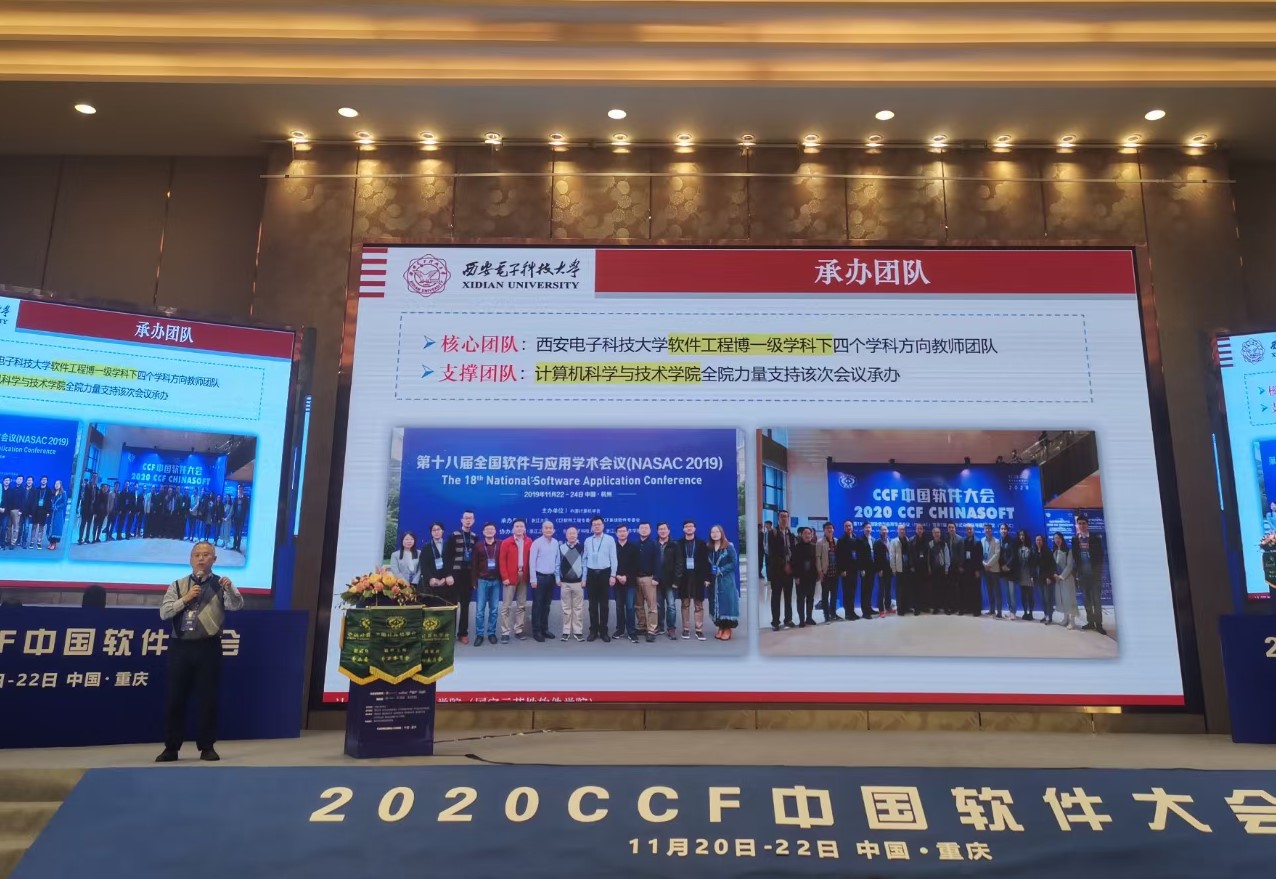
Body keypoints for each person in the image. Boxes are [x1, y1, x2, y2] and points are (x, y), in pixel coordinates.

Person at [155, 541, 242, 762]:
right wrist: (185, 599)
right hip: (180, 646)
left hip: (208, 646)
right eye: (197, 555)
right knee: (176, 698)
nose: (201, 558)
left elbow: (236, 605)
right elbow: (164, 613)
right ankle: (171, 747)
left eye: (206, 555)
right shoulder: (178, 585)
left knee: (207, 698)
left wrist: (231, 589)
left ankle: (207, 747)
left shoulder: (221, 584)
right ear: (190, 559)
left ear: (214, 559)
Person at [444, 511, 478, 644]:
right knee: (452, 604)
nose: (468, 520)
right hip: (454, 575)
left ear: (473, 520)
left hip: (467, 576)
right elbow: (446, 556)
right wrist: (448, 574)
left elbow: (475, 559)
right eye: (466, 518)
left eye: (470, 518)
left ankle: (463, 633)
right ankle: (450, 633)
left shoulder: (475, 537)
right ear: (461, 520)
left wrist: (474, 578)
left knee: (465, 605)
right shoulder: (454, 535)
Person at [583, 516, 617, 642]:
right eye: (594, 524)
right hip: (591, 573)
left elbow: (614, 559)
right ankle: (593, 630)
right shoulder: (587, 540)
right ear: (591, 527)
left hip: (605, 573)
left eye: (599, 524)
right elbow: (585, 559)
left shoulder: (609, 539)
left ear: (603, 526)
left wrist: (613, 575)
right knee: (592, 604)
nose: (596, 526)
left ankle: (603, 631)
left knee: (604, 604)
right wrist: (584, 577)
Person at [1072, 515, 1107, 635]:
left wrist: (1097, 572)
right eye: (1080, 523)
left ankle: (1099, 624)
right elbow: (1075, 558)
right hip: (1083, 575)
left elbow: (1100, 556)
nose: (1082, 525)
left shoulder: (1095, 538)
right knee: (1086, 600)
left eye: (1084, 523)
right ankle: (1090, 622)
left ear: (1087, 525)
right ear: (1077, 525)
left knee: (1096, 600)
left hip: (1094, 575)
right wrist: (1077, 573)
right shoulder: (1075, 539)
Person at [498, 518, 531, 644]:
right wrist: (504, 577)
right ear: (513, 529)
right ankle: (505, 632)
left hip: (524, 575)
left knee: (521, 605)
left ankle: (519, 630)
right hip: (510, 577)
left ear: (525, 528)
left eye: (521, 526)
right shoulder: (507, 542)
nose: (519, 528)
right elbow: (502, 561)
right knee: (506, 606)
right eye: (517, 526)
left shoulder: (529, 541)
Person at [528, 520, 560, 642]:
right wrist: (533, 579)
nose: (548, 530)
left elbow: (557, 561)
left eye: (550, 528)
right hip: (539, 577)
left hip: (551, 578)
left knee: (547, 605)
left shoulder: (555, 543)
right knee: (538, 605)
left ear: (553, 530)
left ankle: (544, 629)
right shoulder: (536, 543)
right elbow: (532, 562)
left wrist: (557, 577)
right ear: (542, 530)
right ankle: (536, 631)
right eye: (546, 528)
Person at [471, 522, 502, 646]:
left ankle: (491, 633)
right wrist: (474, 581)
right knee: (480, 610)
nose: (489, 531)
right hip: (482, 580)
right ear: (483, 532)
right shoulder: (478, 546)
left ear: (495, 531)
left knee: (494, 609)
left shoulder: (500, 544)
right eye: (487, 529)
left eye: (492, 529)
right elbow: (474, 564)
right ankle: (479, 634)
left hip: (496, 581)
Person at [708, 524, 739, 639]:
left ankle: (727, 629)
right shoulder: (709, 548)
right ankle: (720, 627)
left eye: (717, 532)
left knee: (727, 603)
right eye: (712, 532)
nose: (715, 534)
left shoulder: (728, 546)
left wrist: (721, 570)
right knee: (716, 604)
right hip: (714, 581)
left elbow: (734, 563)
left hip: (726, 580)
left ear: (721, 533)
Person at [767, 511, 796, 630]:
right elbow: (772, 553)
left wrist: (791, 565)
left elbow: (794, 552)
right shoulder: (772, 533)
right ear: (778, 518)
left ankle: (788, 619)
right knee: (776, 597)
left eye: (786, 517)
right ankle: (775, 621)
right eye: (782, 517)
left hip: (789, 572)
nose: (784, 519)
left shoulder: (791, 534)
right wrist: (784, 564)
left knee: (788, 597)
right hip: (777, 571)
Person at [557, 526, 586, 641]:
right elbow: (557, 564)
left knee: (578, 608)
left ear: (577, 534)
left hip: (578, 583)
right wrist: (557, 577)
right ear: (566, 535)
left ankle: (578, 631)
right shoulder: (561, 548)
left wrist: (584, 578)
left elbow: (584, 564)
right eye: (570, 533)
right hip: (565, 583)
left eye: (574, 533)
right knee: (566, 608)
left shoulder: (582, 548)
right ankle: (566, 631)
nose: (572, 535)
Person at [613, 524, 640, 642]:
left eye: (624, 531)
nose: (622, 533)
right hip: (617, 581)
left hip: (630, 582)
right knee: (619, 607)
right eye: (620, 531)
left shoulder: (633, 547)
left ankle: (631, 631)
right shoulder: (613, 547)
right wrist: (617, 576)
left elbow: (636, 565)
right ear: (616, 534)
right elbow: (610, 563)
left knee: (630, 607)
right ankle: (620, 630)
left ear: (628, 532)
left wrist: (626, 576)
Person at [635, 522, 660, 642]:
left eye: (646, 528)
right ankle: (642, 626)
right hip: (636, 578)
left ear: (650, 530)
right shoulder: (635, 544)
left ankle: (651, 630)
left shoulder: (654, 544)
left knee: (652, 606)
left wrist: (656, 577)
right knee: (638, 605)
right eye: (642, 528)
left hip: (649, 578)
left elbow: (658, 562)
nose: (644, 530)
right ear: (638, 530)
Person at [654, 522, 679, 639]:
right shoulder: (654, 544)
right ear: (657, 531)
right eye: (660, 529)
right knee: (659, 605)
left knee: (671, 606)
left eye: (664, 529)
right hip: (657, 580)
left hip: (670, 581)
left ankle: (671, 628)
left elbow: (679, 563)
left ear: (669, 531)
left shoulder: (674, 545)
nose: (662, 531)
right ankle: (660, 626)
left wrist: (676, 581)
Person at [792, 526, 819, 627]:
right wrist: (796, 576)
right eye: (805, 533)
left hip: (811, 577)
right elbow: (794, 563)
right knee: (800, 599)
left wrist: (817, 575)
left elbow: (816, 562)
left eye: (809, 533)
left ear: (812, 535)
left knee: (810, 598)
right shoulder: (797, 547)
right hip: (801, 577)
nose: (807, 535)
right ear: (801, 535)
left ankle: (809, 618)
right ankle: (801, 620)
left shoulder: (814, 547)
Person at [1052, 532, 1079, 629]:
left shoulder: (1068, 551)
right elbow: (1053, 565)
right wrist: (1055, 575)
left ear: (1062, 539)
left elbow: (1069, 566)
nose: (1057, 540)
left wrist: (1061, 576)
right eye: (1055, 538)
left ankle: (1072, 621)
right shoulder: (1054, 552)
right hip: (1058, 580)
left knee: (1070, 599)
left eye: (1058, 538)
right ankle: (1065, 618)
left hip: (1067, 579)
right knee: (1063, 599)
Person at [816, 522, 841, 623]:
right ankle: (826, 616)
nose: (829, 530)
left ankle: (833, 614)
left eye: (831, 528)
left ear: (833, 530)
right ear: (824, 530)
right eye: (827, 528)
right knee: (825, 595)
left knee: (834, 595)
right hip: (825, 573)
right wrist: (820, 571)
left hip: (835, 573)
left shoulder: (836, 541)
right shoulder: (820, 542)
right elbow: (818, 558)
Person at [854, 522, 877, 619]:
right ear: (863, 529)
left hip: (872, 569)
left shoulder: (873, 539)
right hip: (864, 569)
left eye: (869, 527)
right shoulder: (859, 540)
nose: (868, 529)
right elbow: (859, 556)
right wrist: (861, 569)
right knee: (864, 590)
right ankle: (865, 612)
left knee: (870, 589)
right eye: (866, 527)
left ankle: (869, 608)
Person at [890, 524, 913, 616]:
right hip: (899, 568)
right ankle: (900, 609)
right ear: (897, 530)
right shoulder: (894, 541)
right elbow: (892, 556)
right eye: (900, 529)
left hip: (907, 568)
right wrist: (893, 568)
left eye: (903, 529)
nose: (902, 531)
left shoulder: (908, 540)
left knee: (907, 589)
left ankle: (906, 607)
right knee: (900, 590)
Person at [998, 523, 1020, 619]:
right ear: (999, 530)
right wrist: (1002, 566)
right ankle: (1010, 610)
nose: (1003, 530)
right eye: (1002, 529)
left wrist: (1008, 565)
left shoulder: (1012, 541)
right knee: (1007, 593)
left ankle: (1013, 612)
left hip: (1011, 571)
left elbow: (1014, 555)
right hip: (1003, 571)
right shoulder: (999, 541)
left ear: (1007, 530)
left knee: (1012, 593)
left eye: (1005, 529)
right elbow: (999, 556)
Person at [960, 524, 983, 615]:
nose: (969, 531)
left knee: (976, 590)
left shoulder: (977, 541)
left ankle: (977, 610)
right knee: (967, 589)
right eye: (967, 529)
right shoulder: (964, 541)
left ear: (973, 530)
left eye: (970, 529)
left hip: (975, 569)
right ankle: (969, 608)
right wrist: (961, 566)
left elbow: (980, 557)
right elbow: (962, 555)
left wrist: (978, 570)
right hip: (966, 569)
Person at [423, 522, 449, 599]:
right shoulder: (426, 547)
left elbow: (452, 563)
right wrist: (431, 578)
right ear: (431, 532)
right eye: (434, 530)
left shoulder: (449, 545)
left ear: (442, 531)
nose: (436, 532)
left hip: (446, 581)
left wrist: (446, 578)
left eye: (438, 529)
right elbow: (423, 565)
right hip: (432, 582)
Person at [981, 523, 1003, 618]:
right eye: (986, 529)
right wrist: (984, 564)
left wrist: (988, 564)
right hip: (986, 570)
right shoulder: (982, 540)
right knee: (989, 591)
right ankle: (992, 610)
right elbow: (981, 554)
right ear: (984, 530)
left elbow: (996, 555)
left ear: (991, 530)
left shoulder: (996, 541)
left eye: (989, 529)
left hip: (994, 569)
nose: (987, 530)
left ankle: (999, 612)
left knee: (997, 592)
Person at [1013, 529, 1035, 619]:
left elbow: (1033, 563)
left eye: (1023, 535)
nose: (1022, 537)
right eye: (1020, 535)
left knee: (1030, 595)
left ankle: (1031, 613)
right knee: (1023, 595)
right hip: (1021, 574)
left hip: (1029, 574)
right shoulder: (1017, 548)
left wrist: (1033, 575)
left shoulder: (1031, 547)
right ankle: (1025, 612)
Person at [928, 526, 950, 614]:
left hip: (942, 569)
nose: (937, 534)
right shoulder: (930, 544)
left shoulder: (944, 544)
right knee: (934, 590)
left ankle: (946, 608)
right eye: (935, 532)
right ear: (932, 534)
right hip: (934, 570)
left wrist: (946, 568)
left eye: (938, 532)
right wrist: (929, 568)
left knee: (944, 590)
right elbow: (928, 558)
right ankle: (935, 608)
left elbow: (947, 557)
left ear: (940, 534)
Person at [1034, 534, 1055, 623]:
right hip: (1039, 579)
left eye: (1040, 540)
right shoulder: (1035, 551)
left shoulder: (1047, 551)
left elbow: (1052, 566)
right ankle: (1045, 614)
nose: (1038, 542)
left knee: (1048, 599)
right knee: (1042, 599)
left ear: (1043, 541)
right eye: (1037, 540)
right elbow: (1034, 565)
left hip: (1047, 578)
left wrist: (1049, 577)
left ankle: (1049, 617)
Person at [875, 524, 893, 614]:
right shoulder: (877, 542)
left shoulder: (890, 540)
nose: (884, 531)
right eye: (882, 530)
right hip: (881, 570)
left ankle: (888, 607)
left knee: (888, 589)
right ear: (880, 531)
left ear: (888, 531)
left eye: (885, 529)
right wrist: (879, 569)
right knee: (881, 590)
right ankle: (881, 610)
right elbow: (876, 558)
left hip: (889, 569)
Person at [5, 475, 25, 549]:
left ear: (22, 481)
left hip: (17, 511)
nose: (19, 480)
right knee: (8, 526)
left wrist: (21, 510)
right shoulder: (12, 489)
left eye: (21, 479)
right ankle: (8, 540)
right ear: (16, 480)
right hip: (9, 510)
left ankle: (13, 542)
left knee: (16, 528)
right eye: (18, 479)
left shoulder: (23, 490)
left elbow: (24, 501)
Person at [47, 480, 67, 550]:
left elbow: (64, 503)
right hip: (51, 513)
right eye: (56, 483)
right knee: (50, 527)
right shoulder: (52, 492)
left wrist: (57, 507)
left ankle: (54, 543)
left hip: (58, 513)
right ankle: (50, 542)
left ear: (60, 485)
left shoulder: (63, 493)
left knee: (56, 527)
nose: (56, 485)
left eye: (58, 484)